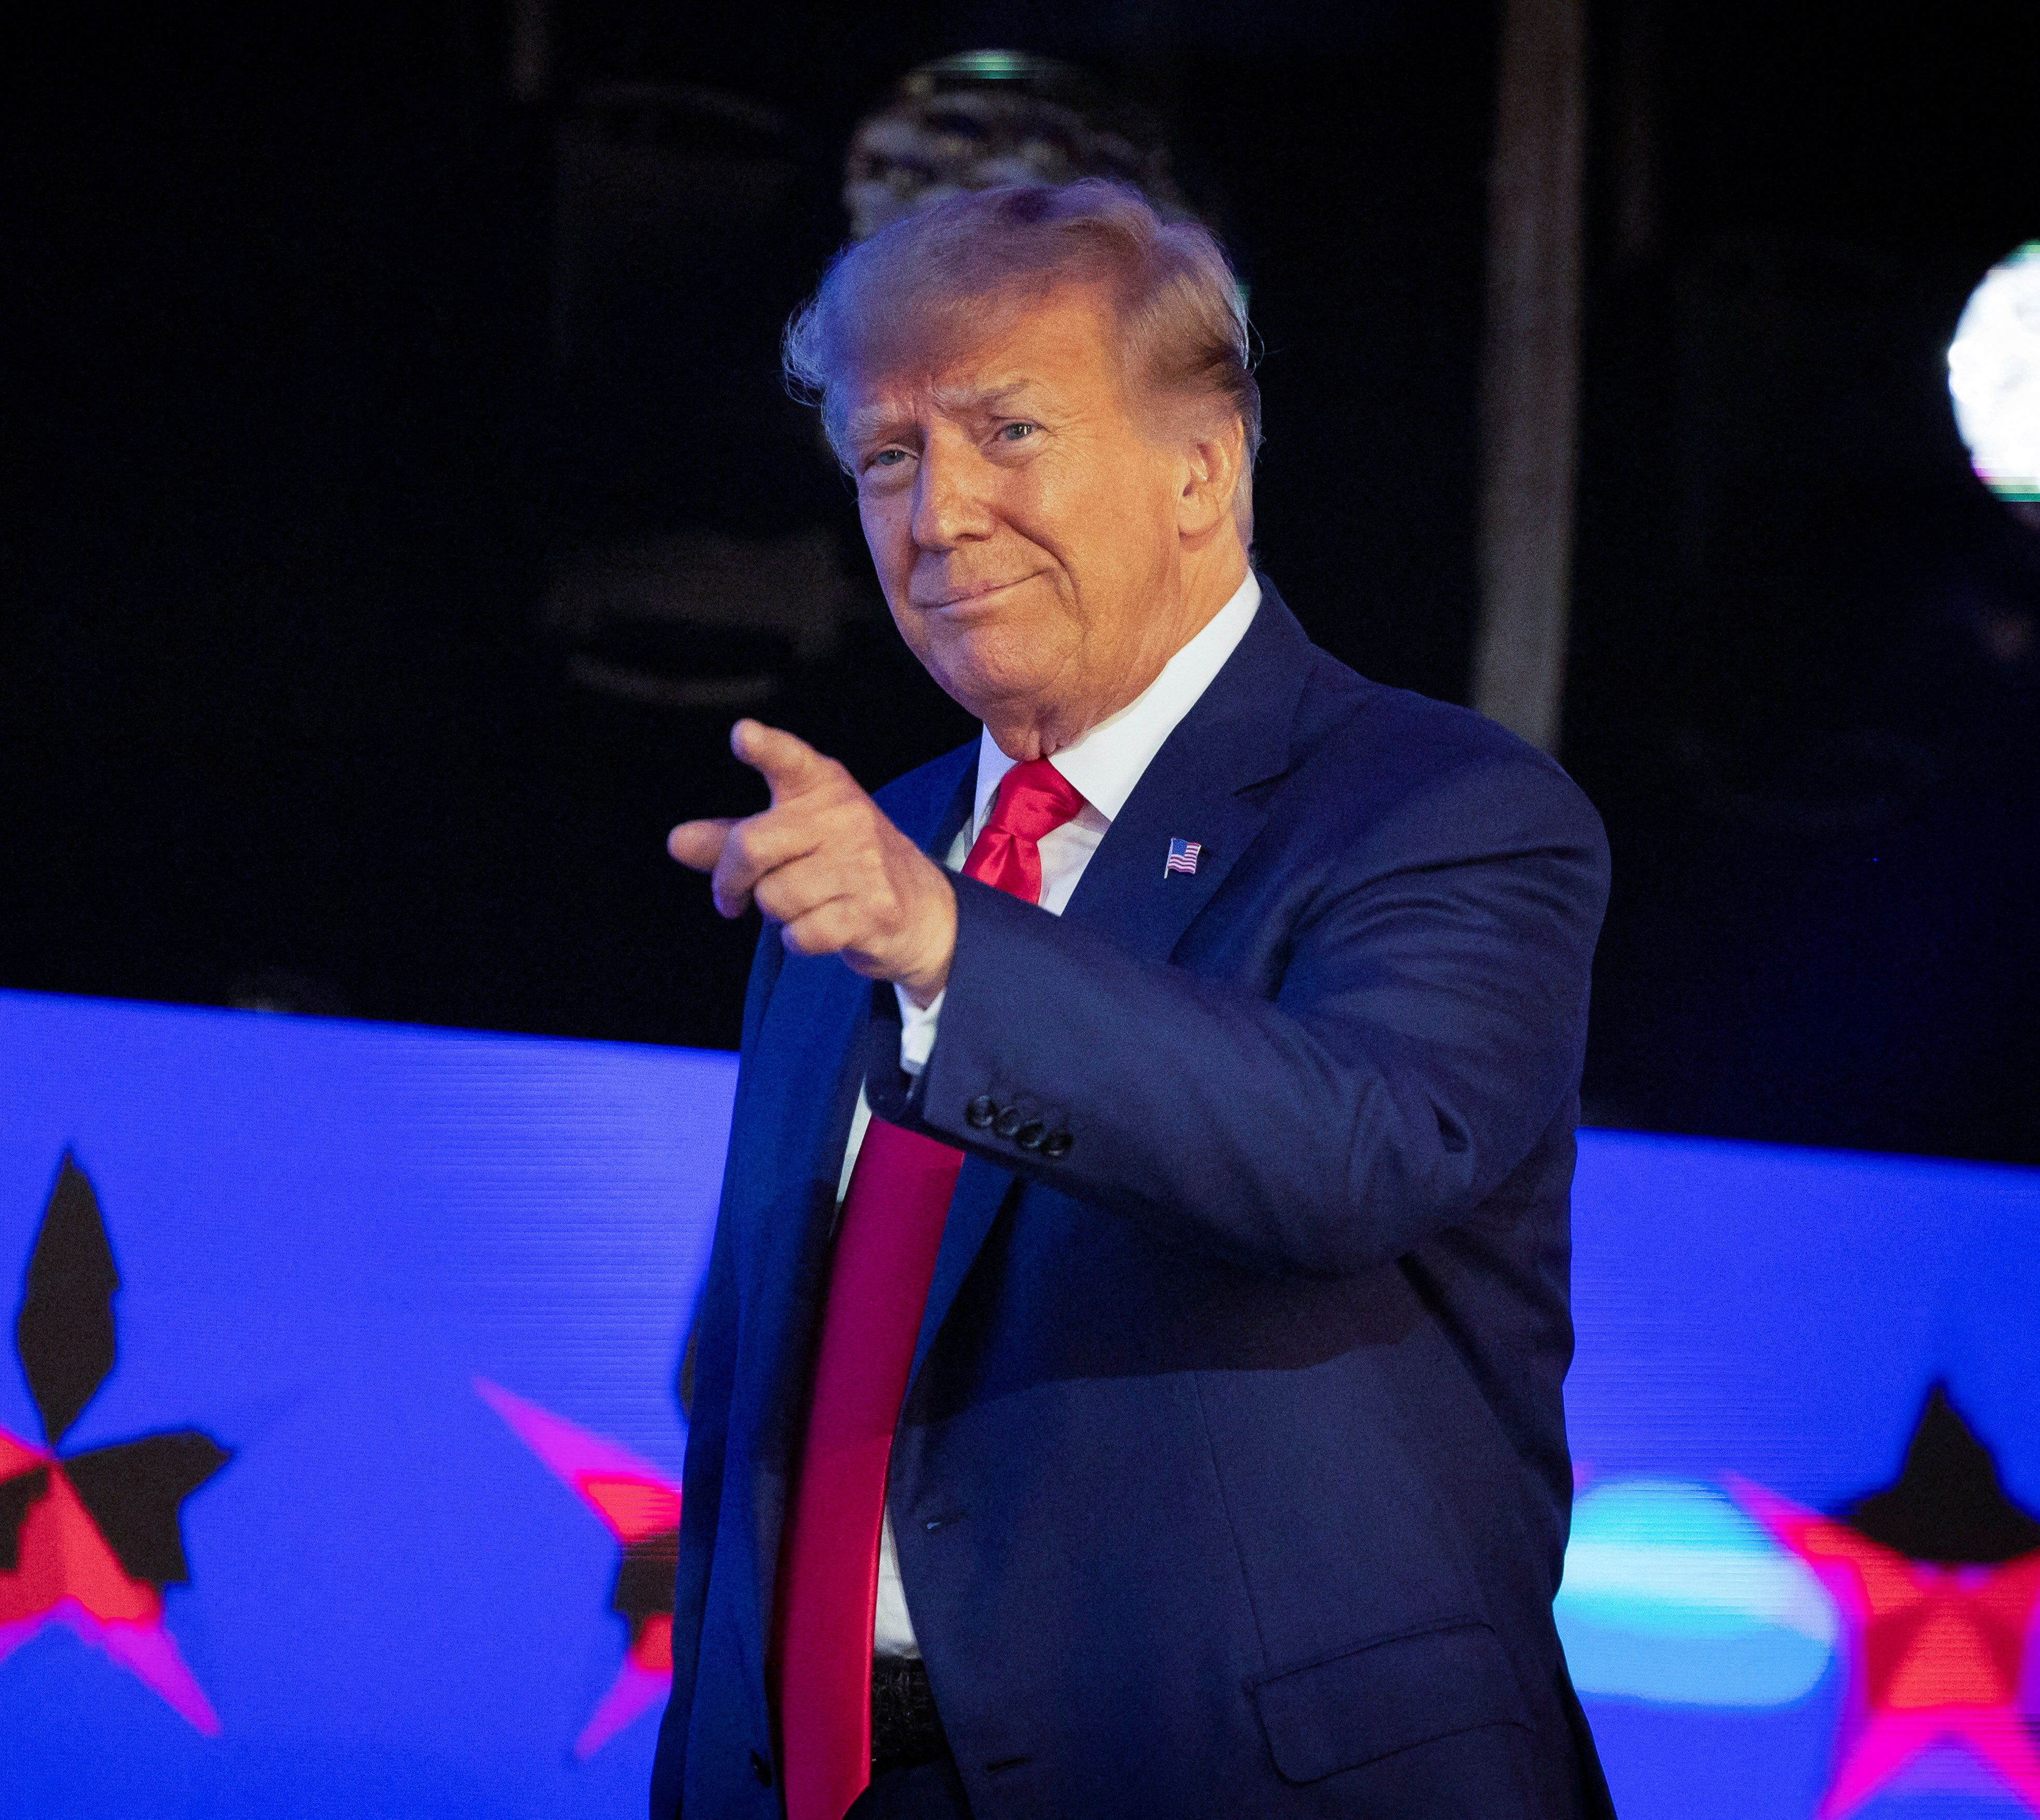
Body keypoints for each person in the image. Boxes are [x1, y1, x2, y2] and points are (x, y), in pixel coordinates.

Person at [656, 180, 1614, 1819]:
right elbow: (755, 1398)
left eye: (1005, 431)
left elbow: (1351, 1151)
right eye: (888, 457)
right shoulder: (864, 856)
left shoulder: (1440, 807)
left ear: (1202, 466)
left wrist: (952, 946)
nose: (936, 514)